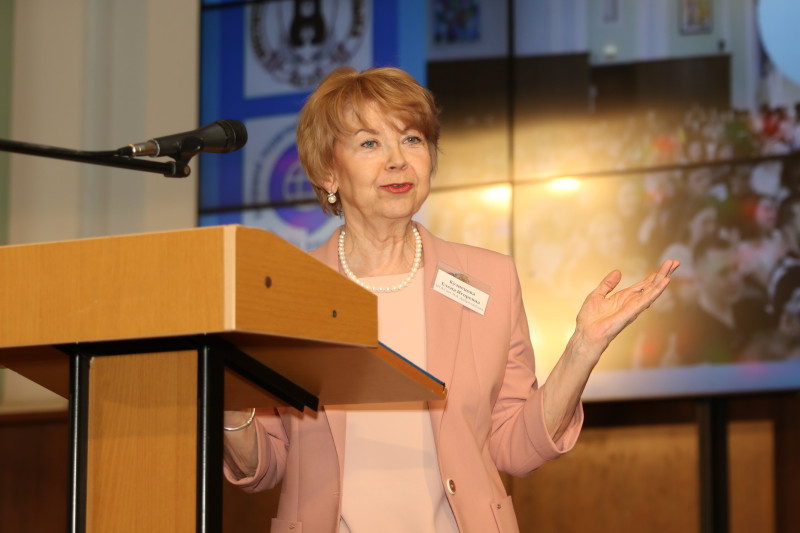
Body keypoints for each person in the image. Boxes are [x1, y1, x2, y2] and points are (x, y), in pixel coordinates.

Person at [221, 66, 679, 533]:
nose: (398, 160)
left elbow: (513, 446)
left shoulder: (490, 280)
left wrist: (583, 348)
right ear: (327, 172)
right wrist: (229, 406)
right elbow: (267, 463)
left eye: (412, 139)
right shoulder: (286, 290)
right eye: (370, 143)